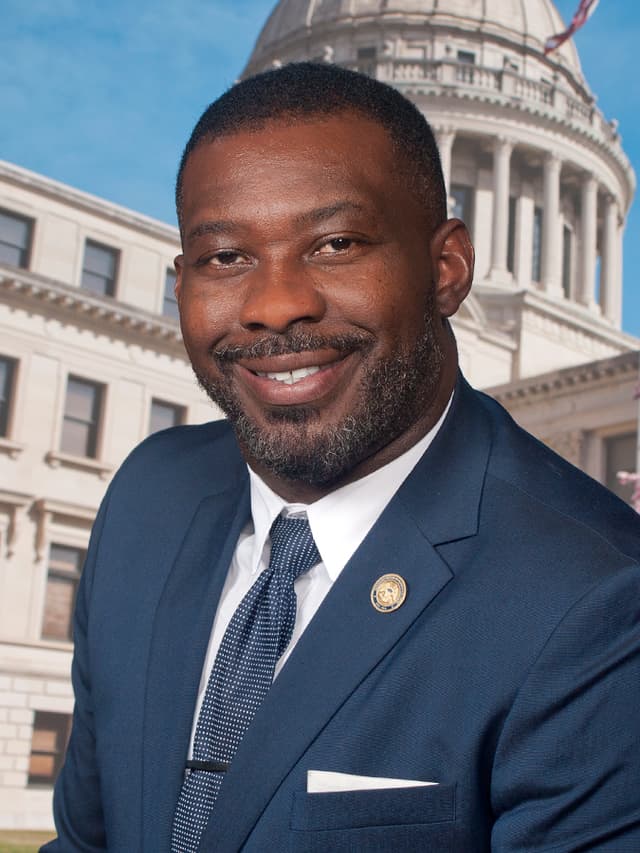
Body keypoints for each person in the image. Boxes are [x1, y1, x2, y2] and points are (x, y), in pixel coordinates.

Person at [43, 63, 640, 852]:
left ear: (446, 268)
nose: (274, 304)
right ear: (180, 281)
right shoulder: (148, 497)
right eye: (225, 256)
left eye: (336, 243)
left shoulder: (598, 601)